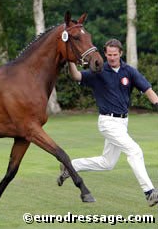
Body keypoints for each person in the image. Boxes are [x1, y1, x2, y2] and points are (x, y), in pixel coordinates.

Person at [57, 38, 158, 207]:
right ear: (105, 54)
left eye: (115, 54)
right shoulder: (99, 71)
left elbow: (148, 90)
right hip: (107, 122)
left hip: (123, 123)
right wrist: (71, 61)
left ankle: (70, 166)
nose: (111, 58)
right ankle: (149, 192)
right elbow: (76, 76)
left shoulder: (129, 71)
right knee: (135, 151)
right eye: (109, 54)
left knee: (107, 163)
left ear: (121, 53)